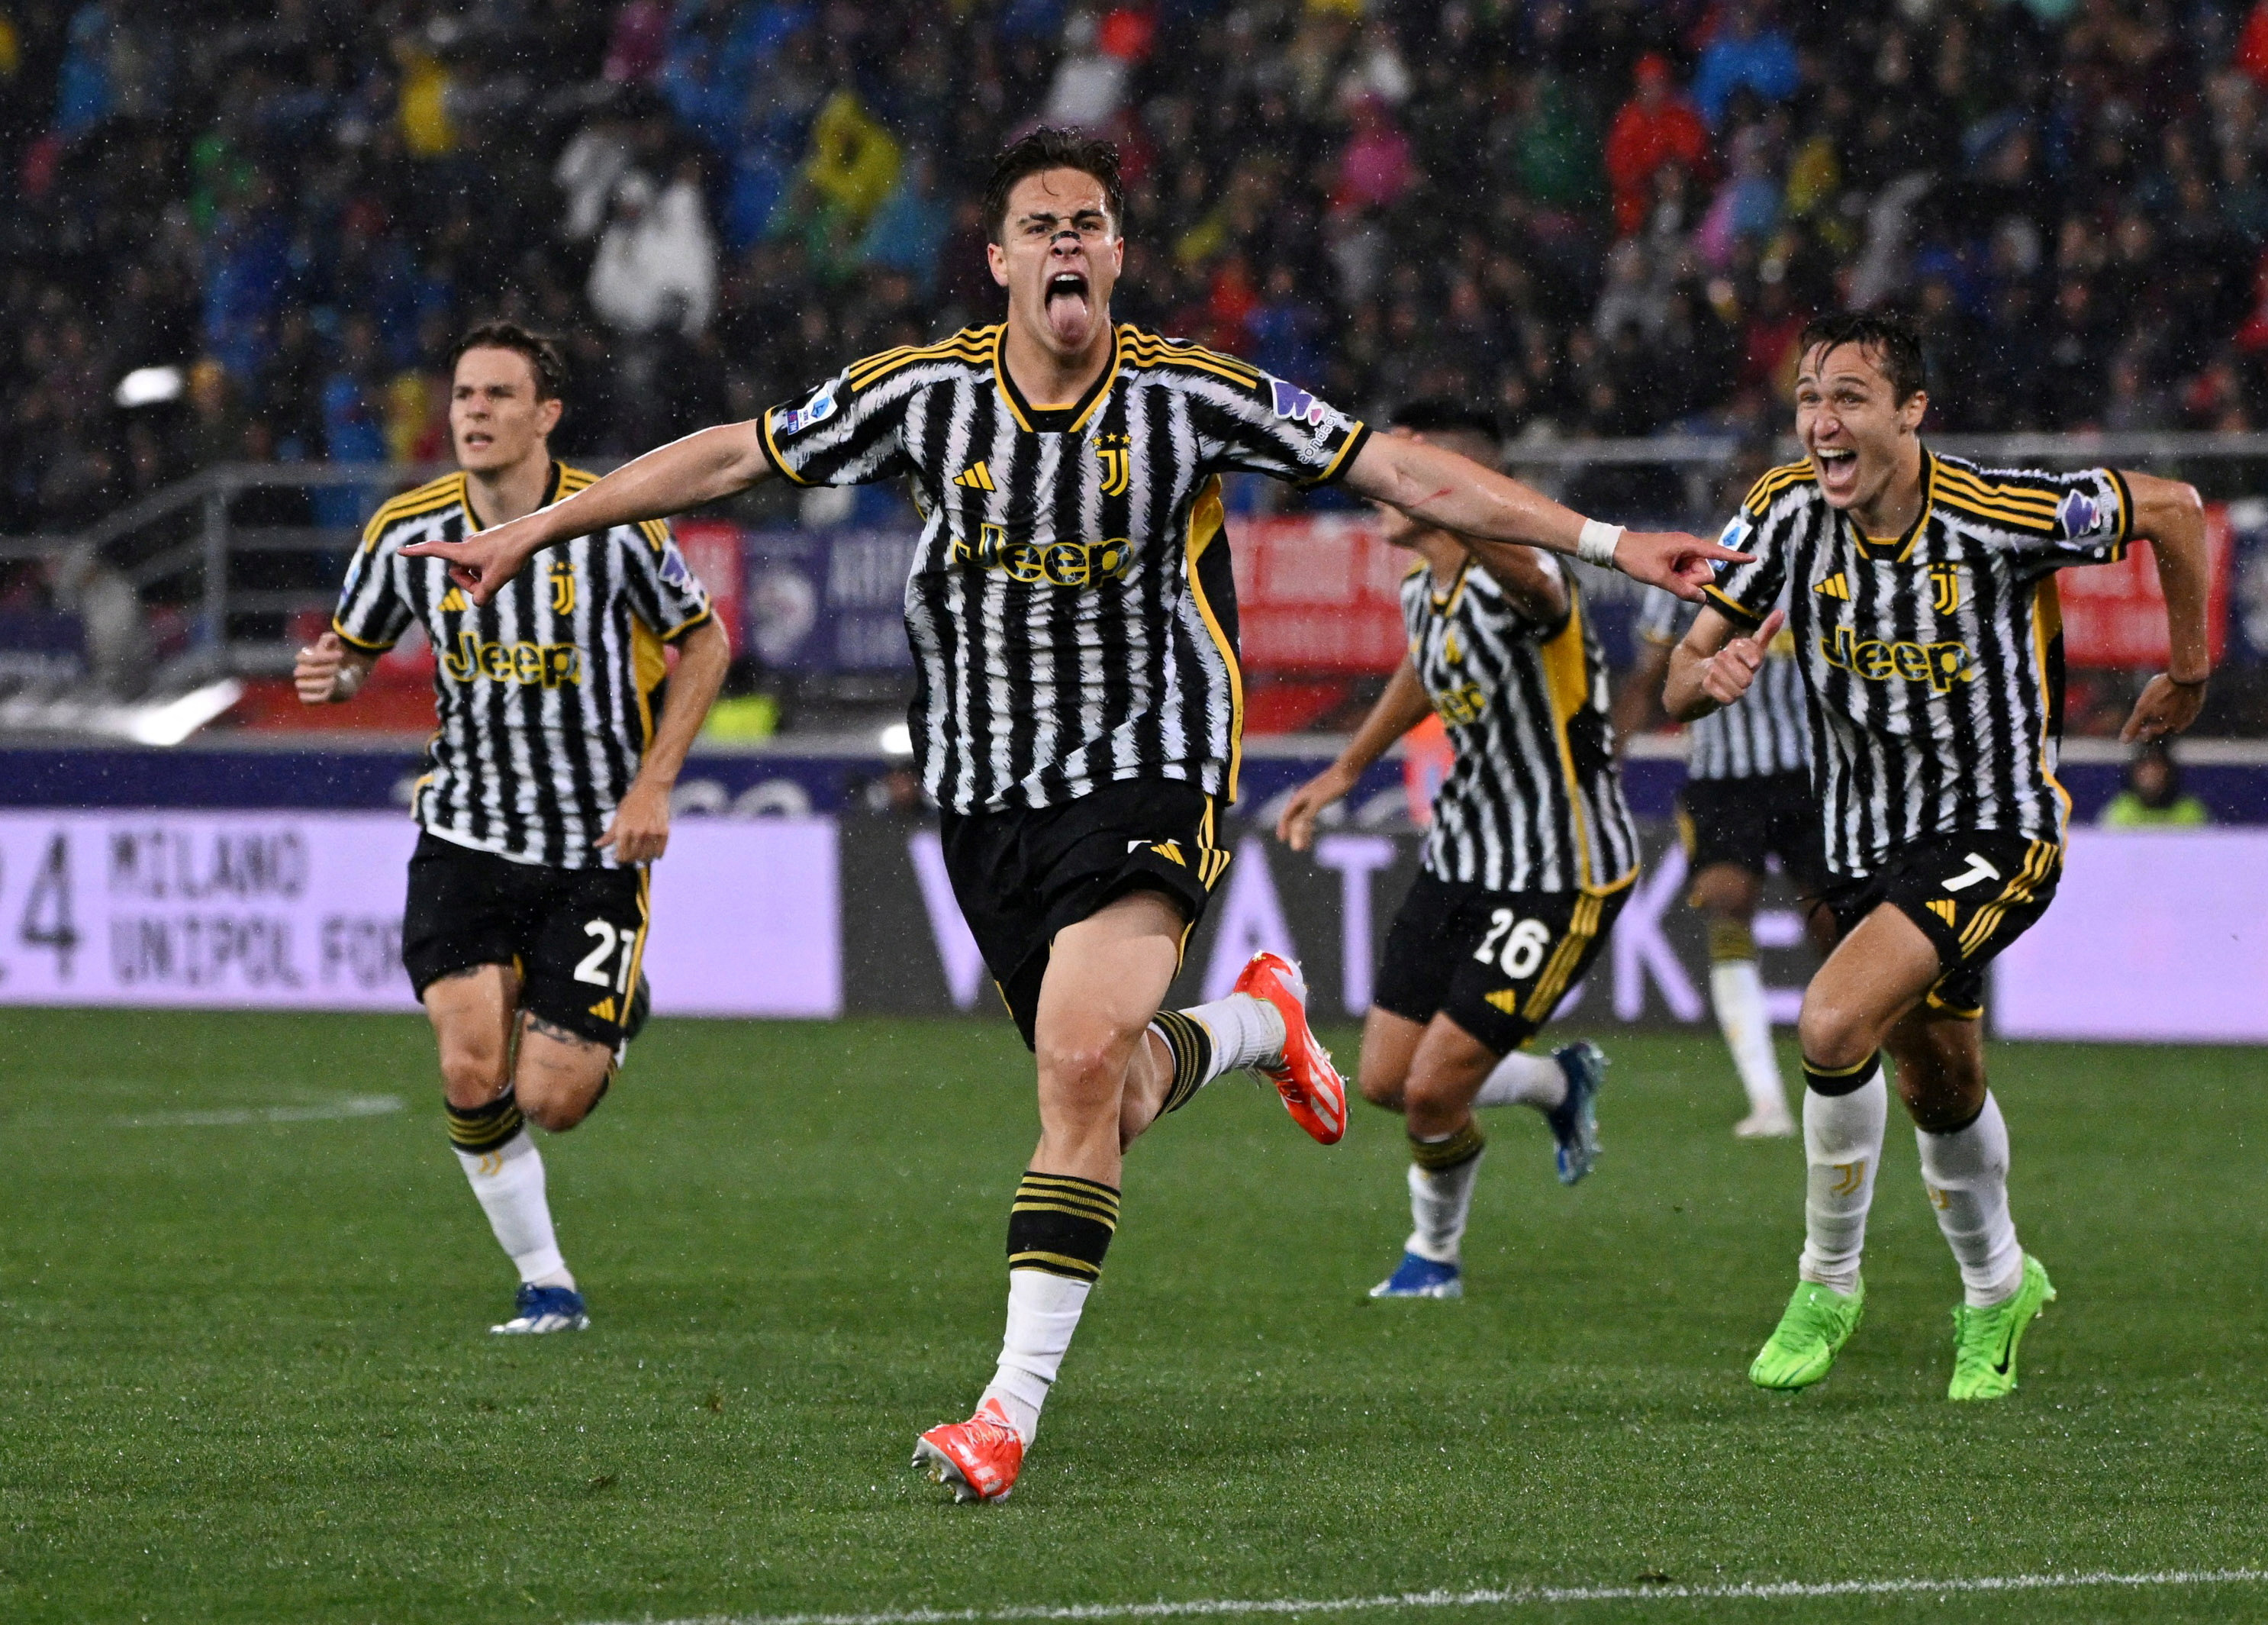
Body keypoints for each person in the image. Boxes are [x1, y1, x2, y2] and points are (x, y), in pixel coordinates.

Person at [398, 128, 1742, 1501]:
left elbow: (1402, 469)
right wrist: (535, 531)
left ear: (1114, 254)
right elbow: (724, 459)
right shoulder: (921, 396)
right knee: (1098, 1077)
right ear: (995, 262)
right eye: (1036, 223)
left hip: (1147, 764)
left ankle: (1004, 1411)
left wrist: (1608, 543)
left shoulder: (1190, 395)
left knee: (1079, 1057)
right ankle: (1254, 1024)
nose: (1062, 242)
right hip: (984, 797)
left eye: (1085, 222)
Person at [1662, 311, 2209, 1401]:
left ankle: (1826, 1278)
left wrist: (2187, 666)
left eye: (1850, 398)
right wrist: (1701, 680)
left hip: (1996, 830)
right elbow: (1681, 670)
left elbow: (2174, 509)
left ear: (1910, 414)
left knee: (1827, 1019)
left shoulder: (1993, 511)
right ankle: (1998, 1286)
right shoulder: (1778, 515)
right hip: (1863, 845)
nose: (1821, 421)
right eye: (1809, 398)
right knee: (1936, 1077)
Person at [295, 323, 731, 1335]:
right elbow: (356, 652)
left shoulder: (614, 524)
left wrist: (654, 784)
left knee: (555, 1098)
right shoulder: (406, 532)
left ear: (546, 416)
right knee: (464, 1067)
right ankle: (547, 1282)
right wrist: (334, 677)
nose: (474, 413)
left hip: (591, 846)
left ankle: (612, 1010)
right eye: (462, 395)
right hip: (464, 835)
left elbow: (701, 646)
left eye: (498, 395)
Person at [1277, 401, 1638, 1301]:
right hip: (1462, 855)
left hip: (1560, 871)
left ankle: (1431, 1257)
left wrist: (1476, 511)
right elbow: (1423, 666)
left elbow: (1538, 589)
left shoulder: (1529, 579)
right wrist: (1346, 768)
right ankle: (1557, 1082)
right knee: (1382, 1080)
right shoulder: (1419, 590)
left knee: (1436, 1091)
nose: (1380, 482)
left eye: (1407, 464)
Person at [1614, 451, 1825, 1140]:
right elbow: (1647, 678)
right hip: (1721, 777)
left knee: (1832, 924)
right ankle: (1765, 1097)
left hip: (1810, 774)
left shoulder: (1818, 570)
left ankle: (1851, 1065)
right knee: (1727, 897)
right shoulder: (1678, 575)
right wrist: (1606, 754)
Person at [2099, 740, 2211, 827]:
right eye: (2144, 767)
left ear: (2168, 771)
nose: (2150, 773)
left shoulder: (2189, 811)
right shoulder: (2121, 811)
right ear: (2134, 772)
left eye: (2156, 766)